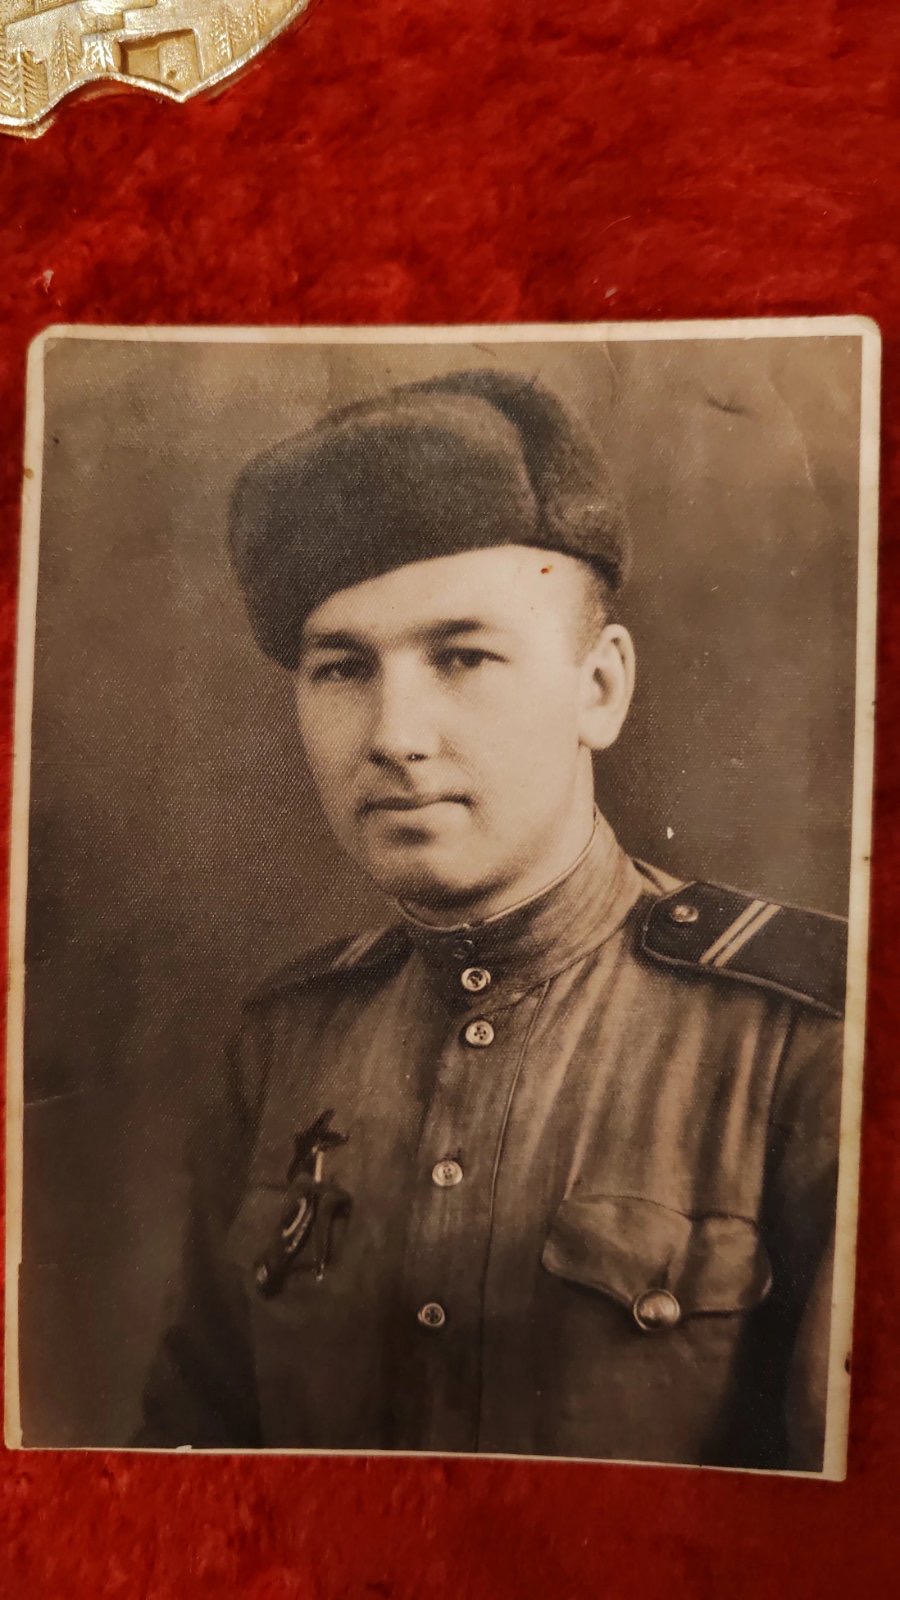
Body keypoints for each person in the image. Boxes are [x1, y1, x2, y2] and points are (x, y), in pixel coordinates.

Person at [136, 369, 847, 1469]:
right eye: (342, 668)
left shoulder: (810, 1038)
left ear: (599, 688)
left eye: (462, 657)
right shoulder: (282, 1045)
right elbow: (186, 1475)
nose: (395, 734)